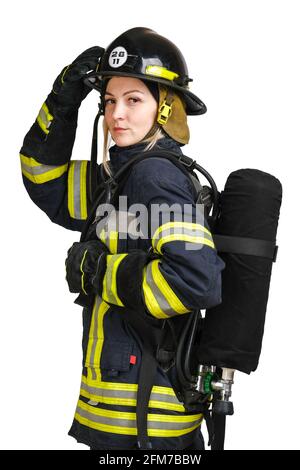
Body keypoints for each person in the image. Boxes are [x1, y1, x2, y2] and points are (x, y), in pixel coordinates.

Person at [19, 27, 225, 451]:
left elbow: (193, 281)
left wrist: (97, 273)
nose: (116, 115)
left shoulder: (154, 175)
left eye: (134, 100)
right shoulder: (119, 179)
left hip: (145, 425)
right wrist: (64, 97)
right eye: (110, 100)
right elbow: (42, 176)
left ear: (166, 109)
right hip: (128, 416)